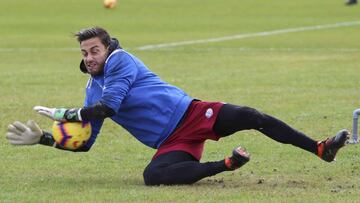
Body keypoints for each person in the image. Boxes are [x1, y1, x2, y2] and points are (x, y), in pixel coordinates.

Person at [6, 27, 350, 186]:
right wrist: (45, 140)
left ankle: (320, 148)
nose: (89, 57)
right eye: (84, 52)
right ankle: (226, 164)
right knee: (152, 176)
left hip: (192, 114)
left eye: (94, 50)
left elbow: (110, 107)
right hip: (172, 142)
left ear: (108, 48)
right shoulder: (90, 90)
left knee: (249, 116)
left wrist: (64, 114)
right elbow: (86, 142)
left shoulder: (121, 60)